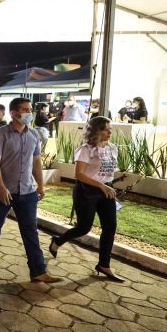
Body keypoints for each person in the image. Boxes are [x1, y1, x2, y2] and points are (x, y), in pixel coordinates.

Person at [0, 98, 62, 283]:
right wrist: (1, 187)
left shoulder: (33, 134)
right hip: (2, 191)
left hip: (27, 191)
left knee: (30, 230)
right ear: (14, 113)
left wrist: (40, 185)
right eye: (25, 110)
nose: (29, 113)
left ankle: (38, 270)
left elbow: (36, 163)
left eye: (30, 109)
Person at [47, 116, 123, 282]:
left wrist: (107, 185)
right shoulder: (86, 149)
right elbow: (79, 174)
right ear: (96, 131)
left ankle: (104, 265)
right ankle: (58, 241)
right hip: (86, 191)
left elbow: (108, 171)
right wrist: (101, 185)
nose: (110, 131)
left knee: (110, 227)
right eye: (106, 129)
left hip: (106, 190)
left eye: (110, 128)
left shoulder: (112, 148)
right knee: (83, 227)